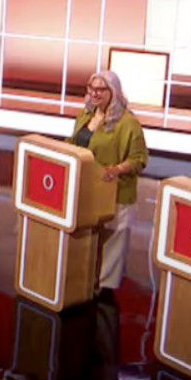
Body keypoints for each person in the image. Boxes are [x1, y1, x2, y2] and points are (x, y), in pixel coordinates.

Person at [69, 71, 147, 293]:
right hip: (87, 188)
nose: (94, 93)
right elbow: (74, 143)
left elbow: (139, 159)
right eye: (91, 88)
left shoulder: (128, 123)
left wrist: (116, 170)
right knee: (90, 240)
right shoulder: (86, 115)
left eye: (100, 89)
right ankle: (86, 283)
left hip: (116, 192)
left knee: (112, 243)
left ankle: (105, 290)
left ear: (113, 92)